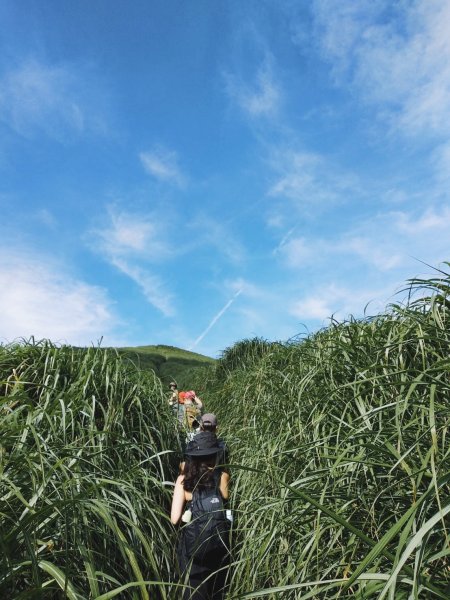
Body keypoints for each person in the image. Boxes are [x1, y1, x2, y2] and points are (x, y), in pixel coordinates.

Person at [171, 431, 230, 600]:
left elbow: (174, 519)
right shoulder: (222, 476)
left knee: (193, 591)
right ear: (214, 455)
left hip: (193, 549)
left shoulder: (183, 481)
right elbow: (225, 499)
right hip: (218, 546)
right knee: (217, 590)